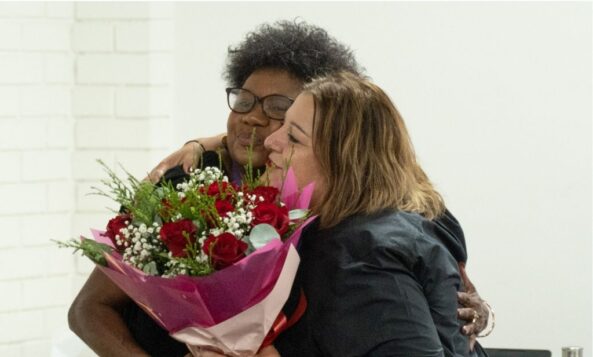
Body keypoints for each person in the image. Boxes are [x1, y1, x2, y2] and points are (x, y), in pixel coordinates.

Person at [68, 20, 491, 357]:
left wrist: (467, 310)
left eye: (279, 112)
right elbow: (88, 309)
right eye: (245, 100)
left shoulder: (350, 214)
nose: (253, 120)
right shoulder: (184, 180)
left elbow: (432, 284)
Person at [199, 71, 487, 357]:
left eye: (293, 138)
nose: (271, 141)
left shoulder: (363, 253)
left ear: (342, 164)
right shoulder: (391, 222)